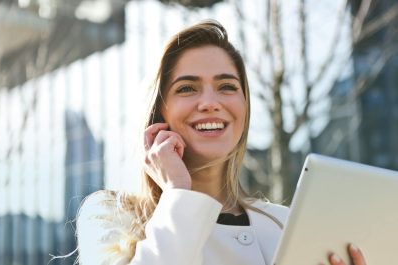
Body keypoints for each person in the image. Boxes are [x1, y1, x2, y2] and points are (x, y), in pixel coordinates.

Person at [76, 20, 367, 265]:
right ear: (158, 112)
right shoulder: (110, 217)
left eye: (227, 86)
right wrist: (178, 193)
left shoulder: (285, 224)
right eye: (187, 88)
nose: (210, 103)